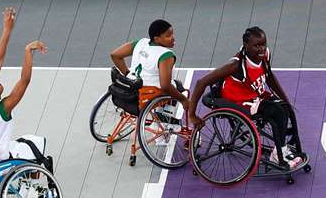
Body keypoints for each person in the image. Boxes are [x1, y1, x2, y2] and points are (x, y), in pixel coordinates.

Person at [188, 27, 308, 169]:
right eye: (257, 46)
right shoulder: (235, 65)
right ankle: (278, 154)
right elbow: (201, 82)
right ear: (246, 45)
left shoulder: (265, 55)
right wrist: (192, 115)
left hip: (254, 94)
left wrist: (285, 99)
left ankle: (281, 148)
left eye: (263, 44)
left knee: (285, 108)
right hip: (237, 100)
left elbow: (269, 76)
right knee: (276, 111)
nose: (261, 49)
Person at [0, 9, 58, 174]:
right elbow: (25, 81)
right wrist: (28, 51)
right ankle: (28, 192)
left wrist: (7, 29)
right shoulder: (2, 108)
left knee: (18, 143)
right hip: (0, 162)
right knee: (36, 144)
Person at [108, 18, 194, 124]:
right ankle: (165, 123)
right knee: (177, 87)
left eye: (172, 34)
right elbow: (166, 86)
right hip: (147, 94)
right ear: (156, 39)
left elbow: (115, 55)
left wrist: (127, 74)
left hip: (130, 88)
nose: (173, 38)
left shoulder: (140, 43)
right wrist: (183, 100)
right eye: (168, 36)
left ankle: (162, 118)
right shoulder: (166, 55)